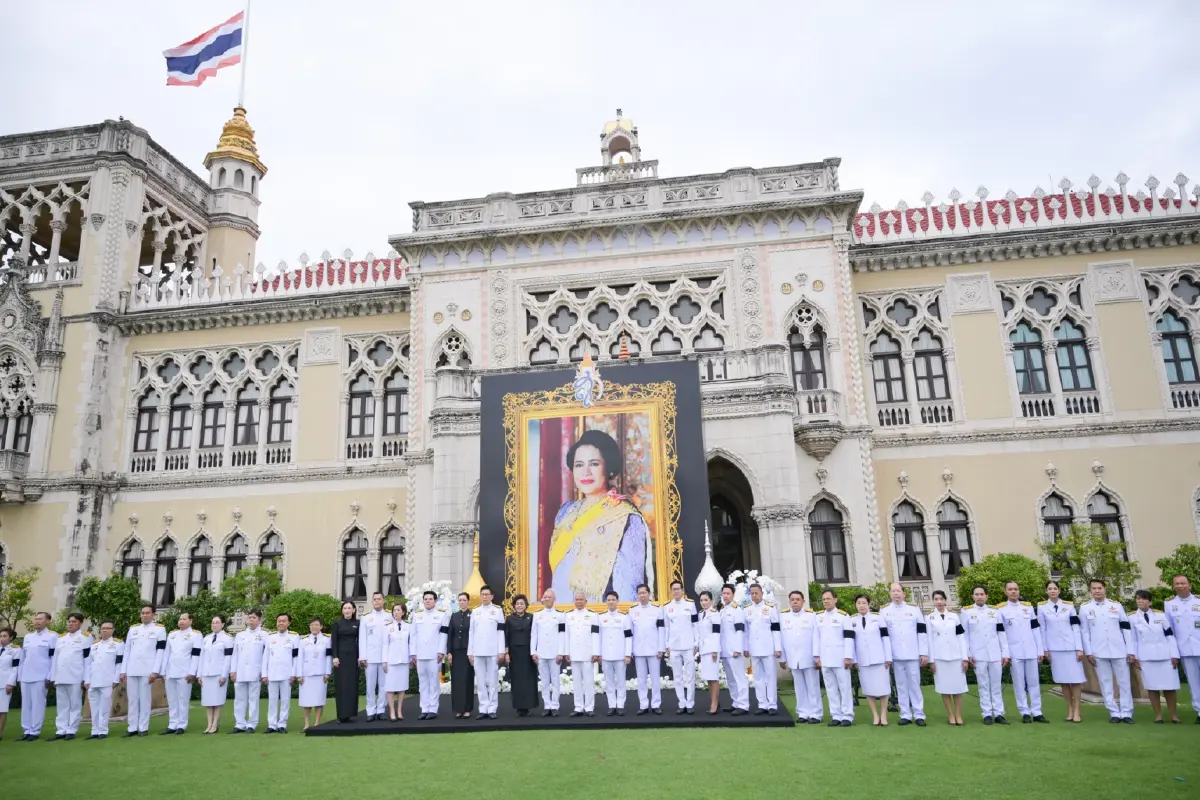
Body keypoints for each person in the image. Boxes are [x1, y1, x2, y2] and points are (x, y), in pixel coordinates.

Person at [548, 429, 649, 603]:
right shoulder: (565, 512)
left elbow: (629, 585)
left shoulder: (626, 517)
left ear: (608, 467)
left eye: (594, 464)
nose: (585, 472)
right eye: (579, 465)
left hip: (600, 616)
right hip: (561, 615)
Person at [1080, 578, 1135, 724]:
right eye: (1094, 588)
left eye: (1099, 588)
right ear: (1090, 591)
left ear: (1105, 589)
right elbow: (1084, 632)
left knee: (1124, 683)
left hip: (1119, 650)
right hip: (1099, 651)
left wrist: (1130, 651)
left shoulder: (1116, 606)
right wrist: (1089, 652)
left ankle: (1127, 712)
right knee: (1105, 683)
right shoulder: (1084, 608)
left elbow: (1126, 629)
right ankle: (1114, 713)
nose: (1097, 591)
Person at [997, 581, 1047, 723]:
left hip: (1031, 650)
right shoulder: (1001, 610)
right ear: (1005, 592)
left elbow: (1035, 630)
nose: (1013, 592)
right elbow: (1002, 634)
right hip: (1014, 651)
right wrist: (1005, 653)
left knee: (1034, 682)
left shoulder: (1028, 607)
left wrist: (1039, 650)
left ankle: (1037, 711)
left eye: (1016, 589)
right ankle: (1024, 711)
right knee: (1019, 683)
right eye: (1010, 589)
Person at [879, 583, 928, 727]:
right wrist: (887, 656)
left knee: (914, 684)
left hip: (912, 653)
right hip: (895, 654)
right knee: (900, 685)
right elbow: (883, 635)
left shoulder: (914, 609)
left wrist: (923, 652)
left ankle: (919, 714)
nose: (896, 594)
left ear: (904, 594)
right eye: (893, 591)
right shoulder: (884, 611)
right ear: (890, 594)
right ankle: (905, 714)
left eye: (898, 591)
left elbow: (922, 632)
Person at [1129, 589, 1180, 724]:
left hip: (1165, 655)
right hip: (1146, 657)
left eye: (1144, 598)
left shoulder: (1161, 616)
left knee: (1170, 687)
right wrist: (1134, 655)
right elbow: (1132, 639)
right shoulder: (1132, 618)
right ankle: (1158, 716)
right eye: (1138, 598)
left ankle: (1173, 715)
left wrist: (1174, 654)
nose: (1141, 601)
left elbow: (1169, 635)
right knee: (1152, 687)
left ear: (1150, 602)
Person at [960, 585, 1010, 724]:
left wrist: (1005, 653)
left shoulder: (995, 611)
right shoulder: (967, 612)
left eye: (982, 594)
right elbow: (965, 635)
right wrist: (968, 654)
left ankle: (999, 713)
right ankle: (987, 713)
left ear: (986, 596)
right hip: (978, 654)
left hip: (995, 653)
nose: (979, 596)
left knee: (996, 685)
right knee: (983, 685)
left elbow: (1001, 633)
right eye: (977, 594)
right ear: (973, 596)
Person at [1038, 581, 1084, 723]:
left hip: (1071, 647)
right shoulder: (1041, 607)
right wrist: (1045, 649)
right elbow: (1042, 629)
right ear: (1046, 591)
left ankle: (1077, 710)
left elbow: (1076, 627)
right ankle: (1069, 709)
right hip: (1055, 649)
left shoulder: (1069, 606)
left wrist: (1079, 648)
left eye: (1055, 588)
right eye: (1050, 588)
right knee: (1064, 682)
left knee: (1075, 681)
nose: (1052, 591)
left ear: (1059, 590)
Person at [121, 605, 166, 737]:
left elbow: (160, 651)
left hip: (148, 669)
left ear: (153, 614)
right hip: (132, 668)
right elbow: (127, 650)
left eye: (147, 613)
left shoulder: (159, 629)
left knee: (145, 699)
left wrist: (155, 670)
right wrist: (123, 671)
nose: (144, 615)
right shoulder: (133, 629)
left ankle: (143, 727)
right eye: (142, 613)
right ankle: (132, 727)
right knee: (132, 699)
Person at [47, 612, 91, 740]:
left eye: (74, 622)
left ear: (80, 623)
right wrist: (53, 677)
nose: (71, 624)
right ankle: (61, 730)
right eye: (70, 621)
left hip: (75, 676)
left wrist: (86, 678)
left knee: (75, 704)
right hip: (61, 676)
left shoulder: (85, 637)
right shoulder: (61, 638)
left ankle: (71, 729)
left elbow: (87, 660)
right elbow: (56, 659)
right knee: (62, 705)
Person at [778, 590, 819, 724]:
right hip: (793, 657)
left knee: (812, 686)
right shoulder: (783, 616)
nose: (795, 602)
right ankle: (802, 712)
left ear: (803, 601)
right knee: (799, 687)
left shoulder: (812, 616)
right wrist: (782, 658)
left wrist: (817, 656)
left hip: (809, 657)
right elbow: (782, 639)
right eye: (792, 600)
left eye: (797, 599)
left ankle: (815, 713)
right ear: (789, 602)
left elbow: (816, 638)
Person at [928, 590, 969, 726]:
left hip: (956, 656)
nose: (939, 601)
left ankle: (958, 715)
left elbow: (961, 638)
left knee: (957, 689)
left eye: (941, 599)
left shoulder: (954, 617)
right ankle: (950, 715)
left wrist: (965, 658)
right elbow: (928, 640)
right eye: (936, 599)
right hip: (940, 658)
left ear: (945, 600)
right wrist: (931, 660)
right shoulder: (929, 618)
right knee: (944, 689)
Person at [814, 589, 854, 726]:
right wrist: (816, 656)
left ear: (835, 600)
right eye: (824, 599)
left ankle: (847, 715)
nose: (826, 601)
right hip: (825, 659)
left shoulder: (844, 616)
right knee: (830, 688)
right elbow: (816, 638)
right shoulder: (818, 617)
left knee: (845, 687)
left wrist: (848, 656)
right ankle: (836, 715)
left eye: (828, 598)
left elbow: (849, 638)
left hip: (840, 658)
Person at [1163, 574, 1200, 724]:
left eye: (1183, 583)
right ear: (1173, 586)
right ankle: (1199, 711)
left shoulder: (1198, 600)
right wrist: (1173, 652)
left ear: (1189, 585)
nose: (1180, 586)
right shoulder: (1169, 604)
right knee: (1193, 682)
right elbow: (1169, 630)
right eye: (1177, 583)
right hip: (1184, 648)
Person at [851, 594, 892, 727]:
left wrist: (888, 657)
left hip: (879, 659)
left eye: (864, 603)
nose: (861, 605)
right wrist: (855, 661)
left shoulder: (878, 618)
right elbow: (851, 643)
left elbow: (886, 638)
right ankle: (875, 715)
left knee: (883, 688)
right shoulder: (852, 620)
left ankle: (884, 715)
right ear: (855, 605)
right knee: (868, 689)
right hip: (863, 660)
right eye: (858, 603)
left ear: (868, 604)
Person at [468, 585, 505, 719]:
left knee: (492, 681)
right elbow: (471, 632)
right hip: (478, 651)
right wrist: (470, 652)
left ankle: (492, 708)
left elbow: (501, 632)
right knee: (481, 681)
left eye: (487, 594)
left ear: (492, 596)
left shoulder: (497, 610)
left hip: (492, 651)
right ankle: (483, 708)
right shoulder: (475, 611)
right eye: (482, 594)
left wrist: (501, 651)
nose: (484, 596)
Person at [17, 611, 55, 741]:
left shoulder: (52, 637)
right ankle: (26, 730)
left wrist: (50, 676)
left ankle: (35, 730)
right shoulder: (28, 637)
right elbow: (23, 658)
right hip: (26, 674)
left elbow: (53, 658)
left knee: (38, 703)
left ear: (48, 621)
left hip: (41, 675)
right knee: (26, 704)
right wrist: (19, 677)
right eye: (36, 619)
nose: (37, 621)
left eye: (40, 619)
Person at [411, 591, 449, 720]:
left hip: (434, 654)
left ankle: (433, 709)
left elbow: (444, 634)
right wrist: (413, 653)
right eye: (425, 599)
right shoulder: (417, 615)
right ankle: (424, 708)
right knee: (423, 683)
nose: (427, 601)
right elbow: (413, 635)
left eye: (430, 599)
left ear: (435, 601)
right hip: (420, 654)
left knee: (434, 682)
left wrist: (441, 651)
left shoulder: (442, 614)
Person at [744, 583, 781, 716]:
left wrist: (778, 647)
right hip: (754, 648)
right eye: (752, 593)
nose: (754, 595)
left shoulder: (770, 608)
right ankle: (762, 704)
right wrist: (746, 647)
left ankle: (772, 704)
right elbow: (746, 631)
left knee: (770, 677)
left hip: (768, 648)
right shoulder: (746, 609)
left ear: (762, 593)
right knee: (757, 677)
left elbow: (776, 629)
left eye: (756, 593)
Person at [162, 612, 201, 734]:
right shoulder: (172, 635)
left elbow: (196, 655)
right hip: (171, 671)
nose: (181, 621)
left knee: (183, 699)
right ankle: (172, 724)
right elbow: (166, 654)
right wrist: (163, 671)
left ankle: (182, 725)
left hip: (185, 672)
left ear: (190, 621)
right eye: (180, 619)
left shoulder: (195, 635)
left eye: (184, 619)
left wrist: (192, 672)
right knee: (172, 700)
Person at [628, 583, 664, 715]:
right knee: (641, 679)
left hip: (654, 649)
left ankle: (656, 704)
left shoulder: (657, 609)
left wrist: (661, 648)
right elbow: (630, 633)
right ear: (637, 595)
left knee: (655, 678)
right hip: (638, 649)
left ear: (649, 594)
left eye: (644, 592)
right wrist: (630, 650)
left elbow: (661, 630)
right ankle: (643, 704)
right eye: (640, 593)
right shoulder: (632, 611)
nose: (642, 595)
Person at [663, 579, 698, 714]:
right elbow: (666, 627)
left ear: (682, 591)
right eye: (674, 589)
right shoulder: (666, 607)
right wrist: (666, 645)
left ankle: (690, 704)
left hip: (688, 645)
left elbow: (695, 624)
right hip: (674, 646)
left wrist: (696, 642)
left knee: (690, 676)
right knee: (677, 676)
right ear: (671, 592)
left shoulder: (690, 604)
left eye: (678, 589)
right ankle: (681, 703)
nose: (676, 591)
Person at [229, 609, 267, 734]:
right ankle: (239, 724)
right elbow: (235, 654)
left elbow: (266, 655)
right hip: (240, 671)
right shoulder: (240, 635)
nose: (251, 620)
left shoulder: (264, 635)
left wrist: (264, 671)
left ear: (259, 620)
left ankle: (252, 724)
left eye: (253, 618)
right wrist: (233, 670)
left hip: (255, 671)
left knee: (253, 699)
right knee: (239, 699)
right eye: (249, 617)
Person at [564, 589, 600, 716]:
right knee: (577, 682)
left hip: (588, 654)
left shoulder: (593, 615)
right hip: (574, 654)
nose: (579, 602)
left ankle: (589, 707)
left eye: (581, 599)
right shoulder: (568, 615)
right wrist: (566, 652)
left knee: (589, 681)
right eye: (577, 599)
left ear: (586, 601)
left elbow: (596, 635)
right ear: (574, 601)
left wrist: (596, 652)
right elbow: (566, 636)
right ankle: (578, 707)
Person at [531, 588, 566, 717]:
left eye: (549, 597)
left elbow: (562, 635)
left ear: (554, 599)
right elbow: (534, 635)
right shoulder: (537, 614)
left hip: (555, 653)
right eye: (544, 597)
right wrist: (533, 651)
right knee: (544, 681)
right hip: (541, 653)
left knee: (555, 680)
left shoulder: (561, 615)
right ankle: (547, 705)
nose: (546, 599)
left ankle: (555, 705)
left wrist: (561, 652)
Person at [83, 622, 121, 739]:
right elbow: (88, 664)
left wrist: (116, 678)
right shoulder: (94, 645)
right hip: (93, 680)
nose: (104, 630)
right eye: (102, 628)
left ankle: (103, 730)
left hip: (107, 679)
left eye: (107, 628)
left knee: (105, 706)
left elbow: (119, 663)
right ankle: (94, 730)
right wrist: (86, 679)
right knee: (94, 706)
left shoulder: (118, 644)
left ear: (113, 630)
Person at [262, 613, 299, 733]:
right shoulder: (270, 637)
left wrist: (293, 673)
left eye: (284, 621)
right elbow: (265, 657)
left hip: (286, 673)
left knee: (285, 700)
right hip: (272, 673)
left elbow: (295, 657)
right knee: (272, 700)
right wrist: (264, 674)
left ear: (289, 623)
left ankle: (282, 724)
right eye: (279, 621)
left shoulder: (294, 637)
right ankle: (272, 724)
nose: (281, 623)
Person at [358, 592, 391, 722]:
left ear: (383, 601)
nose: (377, 601)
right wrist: (363, 656)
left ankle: (381, 709)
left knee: (383, 685)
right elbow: (362, 638)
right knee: (370, 685)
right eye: (374, 599)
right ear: (372, 602)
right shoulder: (366, 617)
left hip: (384, 657)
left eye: (379, 599)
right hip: (370, 656)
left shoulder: (389, 616)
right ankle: (370, 710)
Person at [718, 584, 750, 716]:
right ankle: (735, 702)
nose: (725, 596)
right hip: (725, 650)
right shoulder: (722, 610)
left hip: (734, 650)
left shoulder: (737, 610)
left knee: (739, 677)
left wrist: (738, 648)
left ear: (733, 594)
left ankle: (743, 705)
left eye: (728, 593)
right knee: (730, 679)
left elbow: (740, 631)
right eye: (724, 593)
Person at [198, 616, 233, 734]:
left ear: (223, 624)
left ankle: (215, 724)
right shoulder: (206, 638)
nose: (214, 625)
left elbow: (228, 658)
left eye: (217, 622)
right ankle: (209, 724)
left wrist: (224, 675)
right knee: (208, 701)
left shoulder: (227, 639)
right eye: (213, 623)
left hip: (218, 673)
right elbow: (202, 657)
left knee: (217, 700)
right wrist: (200, 674)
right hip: (206, 673)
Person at [505, 594, 537, 717]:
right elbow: (506, 636)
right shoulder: (509, 619)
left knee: (529, 680)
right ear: (514, 606)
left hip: (528, 654)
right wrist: (507, 652)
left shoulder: (531, 617)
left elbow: (534, 635)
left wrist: (534, 652)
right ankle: (519, 707)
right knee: (517, 680)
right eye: (517, 604)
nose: (519, 606)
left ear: (526, 605)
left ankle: (528, 706)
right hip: (515, 653)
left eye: (521, 604)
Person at [329, 601, 360, 723]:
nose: (347, 610)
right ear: (342, 610)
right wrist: (335, 657)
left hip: (353, 658)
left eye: (349, 608)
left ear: (353, 610)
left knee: (352, 685)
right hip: (341, 658)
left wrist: (360, 657)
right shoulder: (337, 624)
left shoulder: (358, 623)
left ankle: (351, 713)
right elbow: (334, 642)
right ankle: (341, 715)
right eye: (345, 608)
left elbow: (361, 641)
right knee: (342, 686)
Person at [299, 617, 332, 730]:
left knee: (319, 699)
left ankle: (317, 723)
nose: (314, 627)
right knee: (306, 700)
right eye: (312, 625)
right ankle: (307, 724)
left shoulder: (327, 640)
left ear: (321, 627)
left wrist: (327, 673)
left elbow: (328, 657)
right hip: (306, 674)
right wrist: (299, 675)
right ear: (309, 627)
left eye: (317, 625)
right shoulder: (303, 641)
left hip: (320, 673)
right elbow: (300, 659)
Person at [446, 592, 475, 719]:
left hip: (468, 652)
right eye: (460, 600)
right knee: (457, 681)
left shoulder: (473, 615)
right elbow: (450, 635)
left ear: (468, 601)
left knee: (467, 680)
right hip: (456, 652)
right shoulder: (454, 616)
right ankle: (458, 709)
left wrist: (473, 652)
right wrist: (449, 652)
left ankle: (467, 709)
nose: (462, 602)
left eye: (464, 600)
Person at [382, 604, 412, 722]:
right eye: (394, 610)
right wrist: (384, 661)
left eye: (398, 610)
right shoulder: (388, 627)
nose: (396, 612)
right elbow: (385, 645)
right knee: (390, 687)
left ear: (403, 612)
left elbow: (411, 644)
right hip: (391, 661)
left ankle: (399, 710)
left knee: (402, 687)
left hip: (404, 660)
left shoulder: (409, 626)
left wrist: (411, 658)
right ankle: (392, 711)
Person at [696, 591, 721, 715]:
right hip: (703, 649)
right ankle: (713, 700)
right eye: (701, 600)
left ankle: (714, 704)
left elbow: (716, 633)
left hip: (712, 649)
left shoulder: (715, 614)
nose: (703, 602)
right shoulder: (700, 614)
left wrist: (715, 650)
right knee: (708, 678)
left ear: (711, 601)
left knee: (713, 677)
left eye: (706, 600)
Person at [0, 627, 17, 741]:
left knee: (2, 709)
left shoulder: (15, 650)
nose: (2, 638)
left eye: (4, 636)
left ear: (11, 638)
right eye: (0, 636)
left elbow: (15, 668)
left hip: (5, 683)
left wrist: (10, 683)